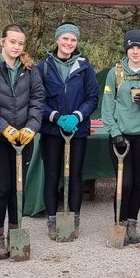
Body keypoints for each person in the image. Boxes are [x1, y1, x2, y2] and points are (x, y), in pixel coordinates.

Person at [0, 24, 44, 258]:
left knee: (18, 188)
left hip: (23, 139)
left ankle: (15, 233)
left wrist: (32, 127)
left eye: (20, 43)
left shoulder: (29, 68)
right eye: (12, 41)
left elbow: (37, 99)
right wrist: (4, 128)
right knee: (1, 188)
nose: (16, 46)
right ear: (2, 41)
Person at [37, 23, 99, 240]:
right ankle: (53, 220)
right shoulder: (43, 66)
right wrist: (55, 117)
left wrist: (77, 116)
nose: (69, 43)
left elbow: (92, 97)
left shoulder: (84, 67)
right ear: (57, 40)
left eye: (73, 40)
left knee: (75, 176)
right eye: (65, 39)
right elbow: (36, 99)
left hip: (77, 131)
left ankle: (74, 218)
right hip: (52, 131)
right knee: (52, 175)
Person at [102, 29, 140, 244]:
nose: (135, 51)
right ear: (126, 49)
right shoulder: (115, 73)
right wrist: (115, 133)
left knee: (137, 183)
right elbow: (106, 108)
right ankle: (120, 222)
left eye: (139, 47)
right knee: (123, 183)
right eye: (131, 47)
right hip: (120, 136)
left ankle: (132, 222)